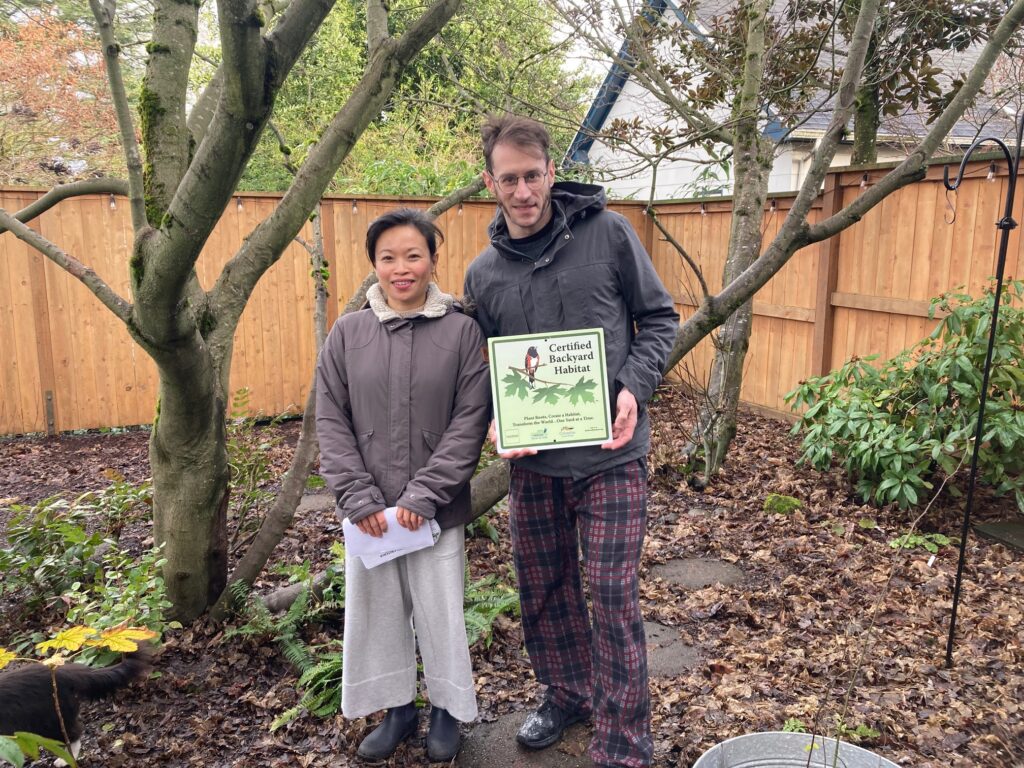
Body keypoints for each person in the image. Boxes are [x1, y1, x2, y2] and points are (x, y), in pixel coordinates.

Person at [464, 115, 679, 768]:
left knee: (612, 597)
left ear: (552, 172)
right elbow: (482, 368)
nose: (523, 190)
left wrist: (633, 389)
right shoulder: (483, 274)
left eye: (533, 176)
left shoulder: (610, 235)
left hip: (612, 456)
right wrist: (497, 419)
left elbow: (661, 319)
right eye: (510, 179)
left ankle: (624, 741)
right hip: (536, 465)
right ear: (490, 183)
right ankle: (567, 694)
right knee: (545, 587)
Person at [316, 208, 491, 762]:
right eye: (388, 257)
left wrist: (424, 496)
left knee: (440, 612)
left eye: (413, 255)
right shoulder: (348, 333)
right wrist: (359, 498)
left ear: (432, 261)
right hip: (369, 515)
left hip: (435, 513)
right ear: (374, 265)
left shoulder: (462, 331)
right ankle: (397, 710)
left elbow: (470, 420)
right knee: (379, 615)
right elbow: (330, 418)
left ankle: (445, 710)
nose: (401, 268)